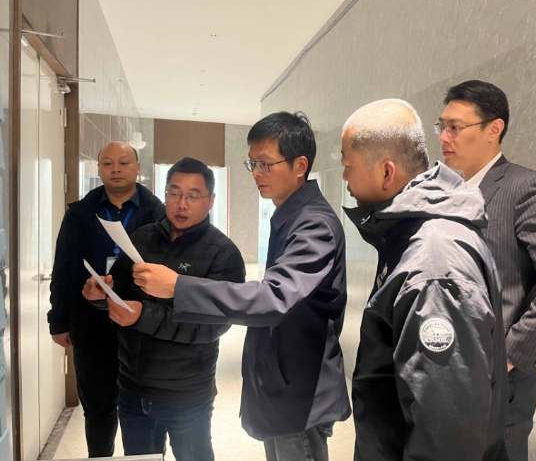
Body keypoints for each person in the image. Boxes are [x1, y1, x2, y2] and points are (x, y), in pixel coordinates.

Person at [129, 112, 351, 461]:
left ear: (300, 165)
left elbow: (274, 297)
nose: (256, 174)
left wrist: (179, 287)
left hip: (300, 392)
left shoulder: (314, 224)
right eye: (252, 164)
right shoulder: (291, 216)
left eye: (265, 164)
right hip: (283, 386)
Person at [437, 80, 536, 460]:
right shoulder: (450, 193)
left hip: (494, 383)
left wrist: (510, 353)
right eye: (441, 126)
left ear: (494, 129)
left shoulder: (524, 187)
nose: (444, 137)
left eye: (455, 127)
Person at [340, 99, 509, 461]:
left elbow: (447, 435)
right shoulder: (413, 236)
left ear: (387, 172)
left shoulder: (434, 266)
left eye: (347, 165)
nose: (344, 178)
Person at [82, 157, 245, 461]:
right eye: (174, 193)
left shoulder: (223, 254)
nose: (181, 204)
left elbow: (212, 325)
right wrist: (101, 294)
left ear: (210, 200)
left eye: (193, 195)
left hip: (186, 393)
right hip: (133, 387)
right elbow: (119, 288)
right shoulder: (142, 237)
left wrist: (143, 316)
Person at [48, 141, 164, 457]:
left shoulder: (158, 214)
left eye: (124, 163)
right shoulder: (80, 214)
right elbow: (63, 268)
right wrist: (58, 320)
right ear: (98, 169)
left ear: (137, 168)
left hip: (143, 330)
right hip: (91, 326)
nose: (115, 169)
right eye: (107, 163)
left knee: (145, 412)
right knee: (98, 409)